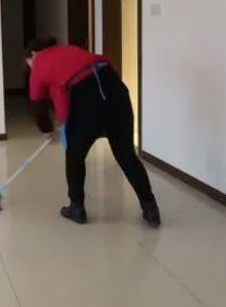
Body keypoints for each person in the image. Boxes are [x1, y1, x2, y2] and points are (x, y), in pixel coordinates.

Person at [26, 37, 161, 227]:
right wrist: (63, 123)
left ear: (33, 54)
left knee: (74, 155)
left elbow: (38, 107)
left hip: (86, 99)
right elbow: (62, 95)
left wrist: (47, 130)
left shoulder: (39, 62)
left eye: (29, 63)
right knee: (126, 155)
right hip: (114, 89)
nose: (30, 68)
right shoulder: (68, 50)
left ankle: (76, 208)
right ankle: (151, 210)